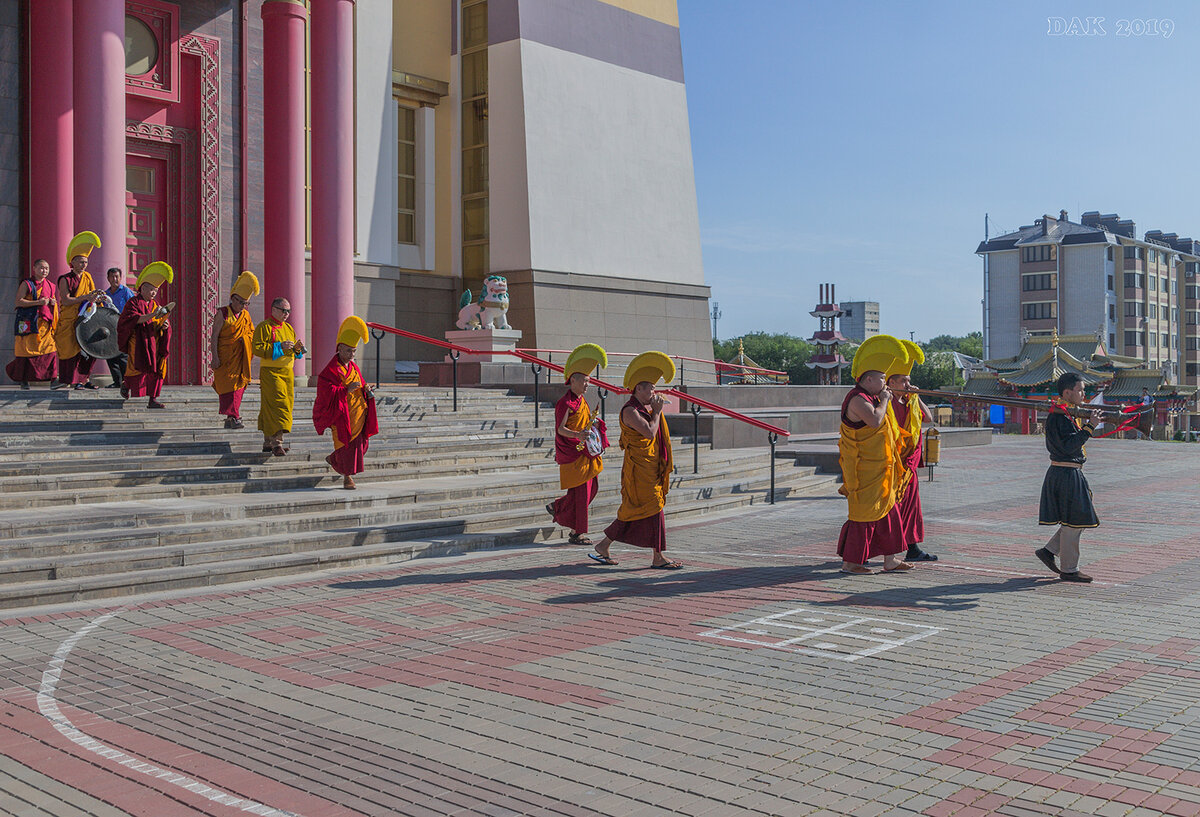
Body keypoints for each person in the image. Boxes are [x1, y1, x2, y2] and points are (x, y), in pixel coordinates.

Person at [588, 351, 680, 569]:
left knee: (635, 510)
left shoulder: (642, 408)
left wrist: (654, 410)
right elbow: (649, 432)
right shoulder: (630, 410)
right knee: (655, 506)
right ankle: (657, 557)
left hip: (648, 468)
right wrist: (656, 412)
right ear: (638, 388)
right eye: (650, 388)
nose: (653, 392)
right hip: (639, 470)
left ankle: (604, 545)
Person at [837, 334, 910, 575]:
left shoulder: (872, 396)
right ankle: (850, 563)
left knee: (890, 510)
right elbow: (876, 421)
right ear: (868, 380)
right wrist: (887, 399)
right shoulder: (858, 399)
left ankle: (891, 559)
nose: (884, 383)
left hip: (881, 468)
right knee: (863, 515)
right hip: (863, 469)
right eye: (881, 379)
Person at [1034, 372, 1104, 583]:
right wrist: (1089, 427)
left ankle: (1049, 550)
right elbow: (1068, 446)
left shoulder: (1064, 414)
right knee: (1075, 521)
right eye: (1080, 390)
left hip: (1068, 472)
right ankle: (1069, 569)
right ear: (1067, 392)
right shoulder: (1059, 416)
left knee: (1078, 519)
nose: (1083, 394)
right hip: (1065, 473)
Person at [547, 343, 608, 545]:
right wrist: (578, 435)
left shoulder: (581, 401)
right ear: (573, 380)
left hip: (585, 452)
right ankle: (577, 532)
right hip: (574, 453)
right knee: (581, 494)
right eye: (585, 381)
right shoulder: (565, 402)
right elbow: (560, 429)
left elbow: (584, 423)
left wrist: (594, 425)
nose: (587, 385)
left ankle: (559, 507)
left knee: (591, 490)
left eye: (589, 381)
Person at [886, 339, 937, 563]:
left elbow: (929, 419)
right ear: (891, 382)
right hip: (892, 463)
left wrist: (916, 397)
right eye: (904, 380)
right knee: (889, 507)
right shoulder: (885, 402)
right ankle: (873, 548)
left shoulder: (910, 401)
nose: (908, 384)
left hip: (909, 464)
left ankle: (912, 547)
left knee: (911, 507)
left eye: (909, 380)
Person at [313, 316, 378, 490]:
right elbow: (325, 392)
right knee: (346, 446)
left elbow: (361, 384)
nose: (352, 355)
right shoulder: (330, 370)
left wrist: (367, 390)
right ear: (340, 348)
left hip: (358, 413)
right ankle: (347, 477)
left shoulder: (354, 367)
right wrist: (345, 390)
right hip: (341, 414)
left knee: (361, 446)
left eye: (354, 351)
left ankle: (334, 459)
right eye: (349, 351)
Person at [116, 261, 174, 409]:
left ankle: (153, 399)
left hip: (154, 341)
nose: (153, 293)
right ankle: (127, 384)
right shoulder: (133, 302)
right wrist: (152, 315)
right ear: (142, 288)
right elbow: (132, 320)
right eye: (151, 289)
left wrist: (165, 326)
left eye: (156, 290)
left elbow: (159, 322)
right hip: (138, 341)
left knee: (158, 368)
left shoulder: (155, 305)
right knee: (137, 367)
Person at [253, 297, 305, 456]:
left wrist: (298, 349)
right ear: (273, 309)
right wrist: (279, 346)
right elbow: (257, 348)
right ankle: (277, 443)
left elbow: (296, 354)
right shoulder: (264, 327)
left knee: (277, 405)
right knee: (279, 404)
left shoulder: (289, 328)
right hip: (271, 372)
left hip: (287, 373)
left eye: (289, 311)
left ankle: (268, 442)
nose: (286, 314)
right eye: (283, 310)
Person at [54, 231, 103, 389]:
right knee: (70, 351)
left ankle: (84, 380)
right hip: (69, 320)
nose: (84, 265)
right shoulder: (65, 279)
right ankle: (71, 380)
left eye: (86, 262)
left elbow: (91, 296)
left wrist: (97, 299)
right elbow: (66, 300)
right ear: (72, 262)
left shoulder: (88, 277)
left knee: (88, 349)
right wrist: (85, 297)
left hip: (86, 319)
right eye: (81, 262)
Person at [210, 271, 259, 429]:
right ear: (232, 298)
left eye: (246, 303)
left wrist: (244, 340)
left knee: (238, 388)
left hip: (240, 358)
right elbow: (214, 336)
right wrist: (215, 357)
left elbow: (251, 334)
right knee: (228, 387)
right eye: (240, 302)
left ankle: (233, 417)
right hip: (225, 358)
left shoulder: (246, 315)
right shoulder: (222, 313)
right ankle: (233, 417)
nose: (242, 306)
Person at [5, 258, 59, 389]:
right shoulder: (27, 284)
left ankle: (53, 379)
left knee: (50, 349)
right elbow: (19, 302)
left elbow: (53, 302)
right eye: (41, 268)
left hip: (44, 325)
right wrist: (38, 303)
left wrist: (53, 303)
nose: (44, 270)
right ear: (34, 269)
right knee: (25, 350)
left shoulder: (50, 285)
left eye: (46, 268)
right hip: (28, 323)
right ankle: (24, 380)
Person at [102, 267, 135, 390]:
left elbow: (134, 307)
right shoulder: (105, 294)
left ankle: (127, 382)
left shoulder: (126, 292)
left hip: (123, 328)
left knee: (122, 356)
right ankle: (117, 381)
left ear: (120, 278)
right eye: (112, 276)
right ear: (108, 278)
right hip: (109, 329)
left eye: (117, 276)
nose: (115, 279)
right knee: (110, 355)